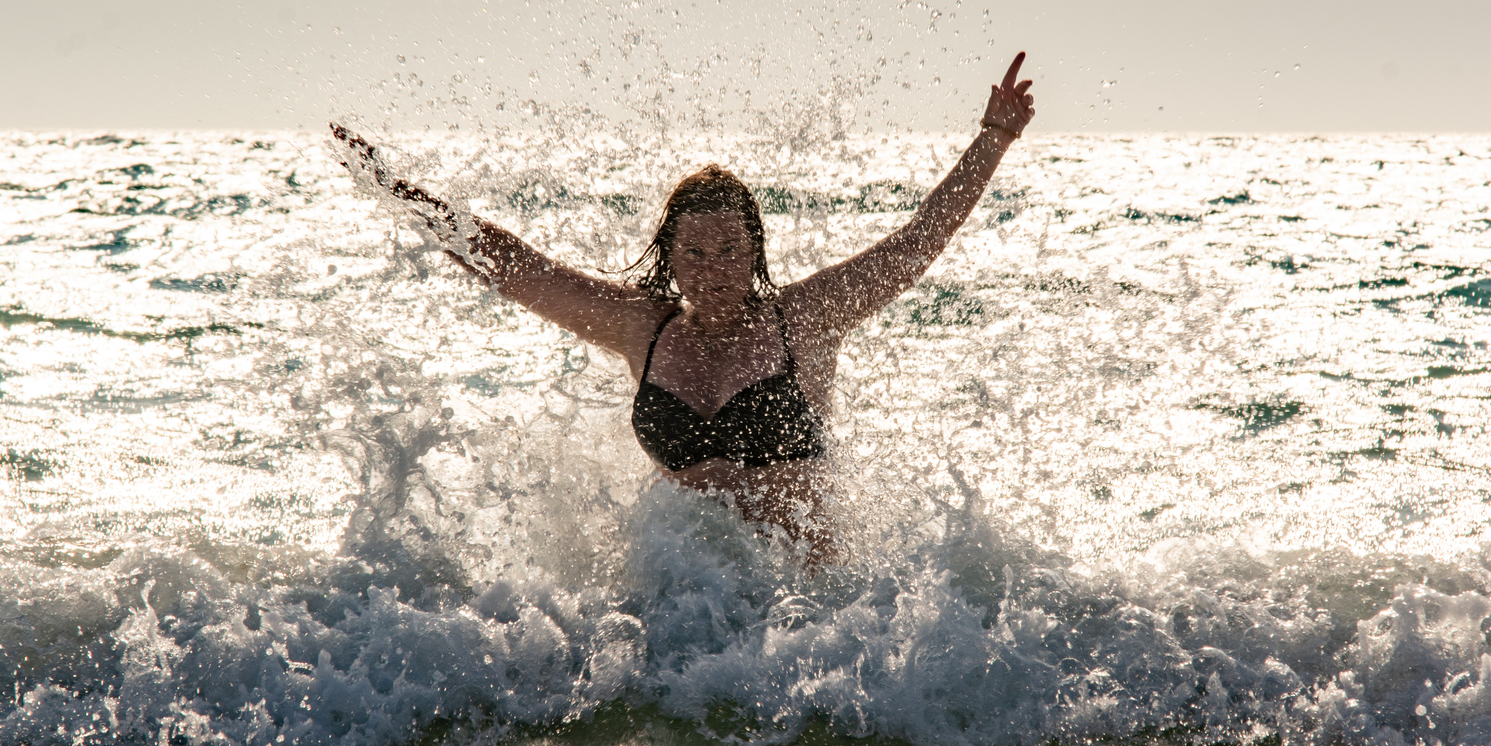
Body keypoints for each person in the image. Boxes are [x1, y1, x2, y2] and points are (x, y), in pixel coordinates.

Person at [332, 51, 1036, 563]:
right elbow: (515, 267)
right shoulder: (642, 327)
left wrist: (995, 137)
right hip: (692, 611)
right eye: (693, 253)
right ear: (669, 258)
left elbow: (913, 246)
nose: (713, 269)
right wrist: (395, 193)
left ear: (755, 250)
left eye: (729, 249)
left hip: (810, 610)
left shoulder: (802, 318)